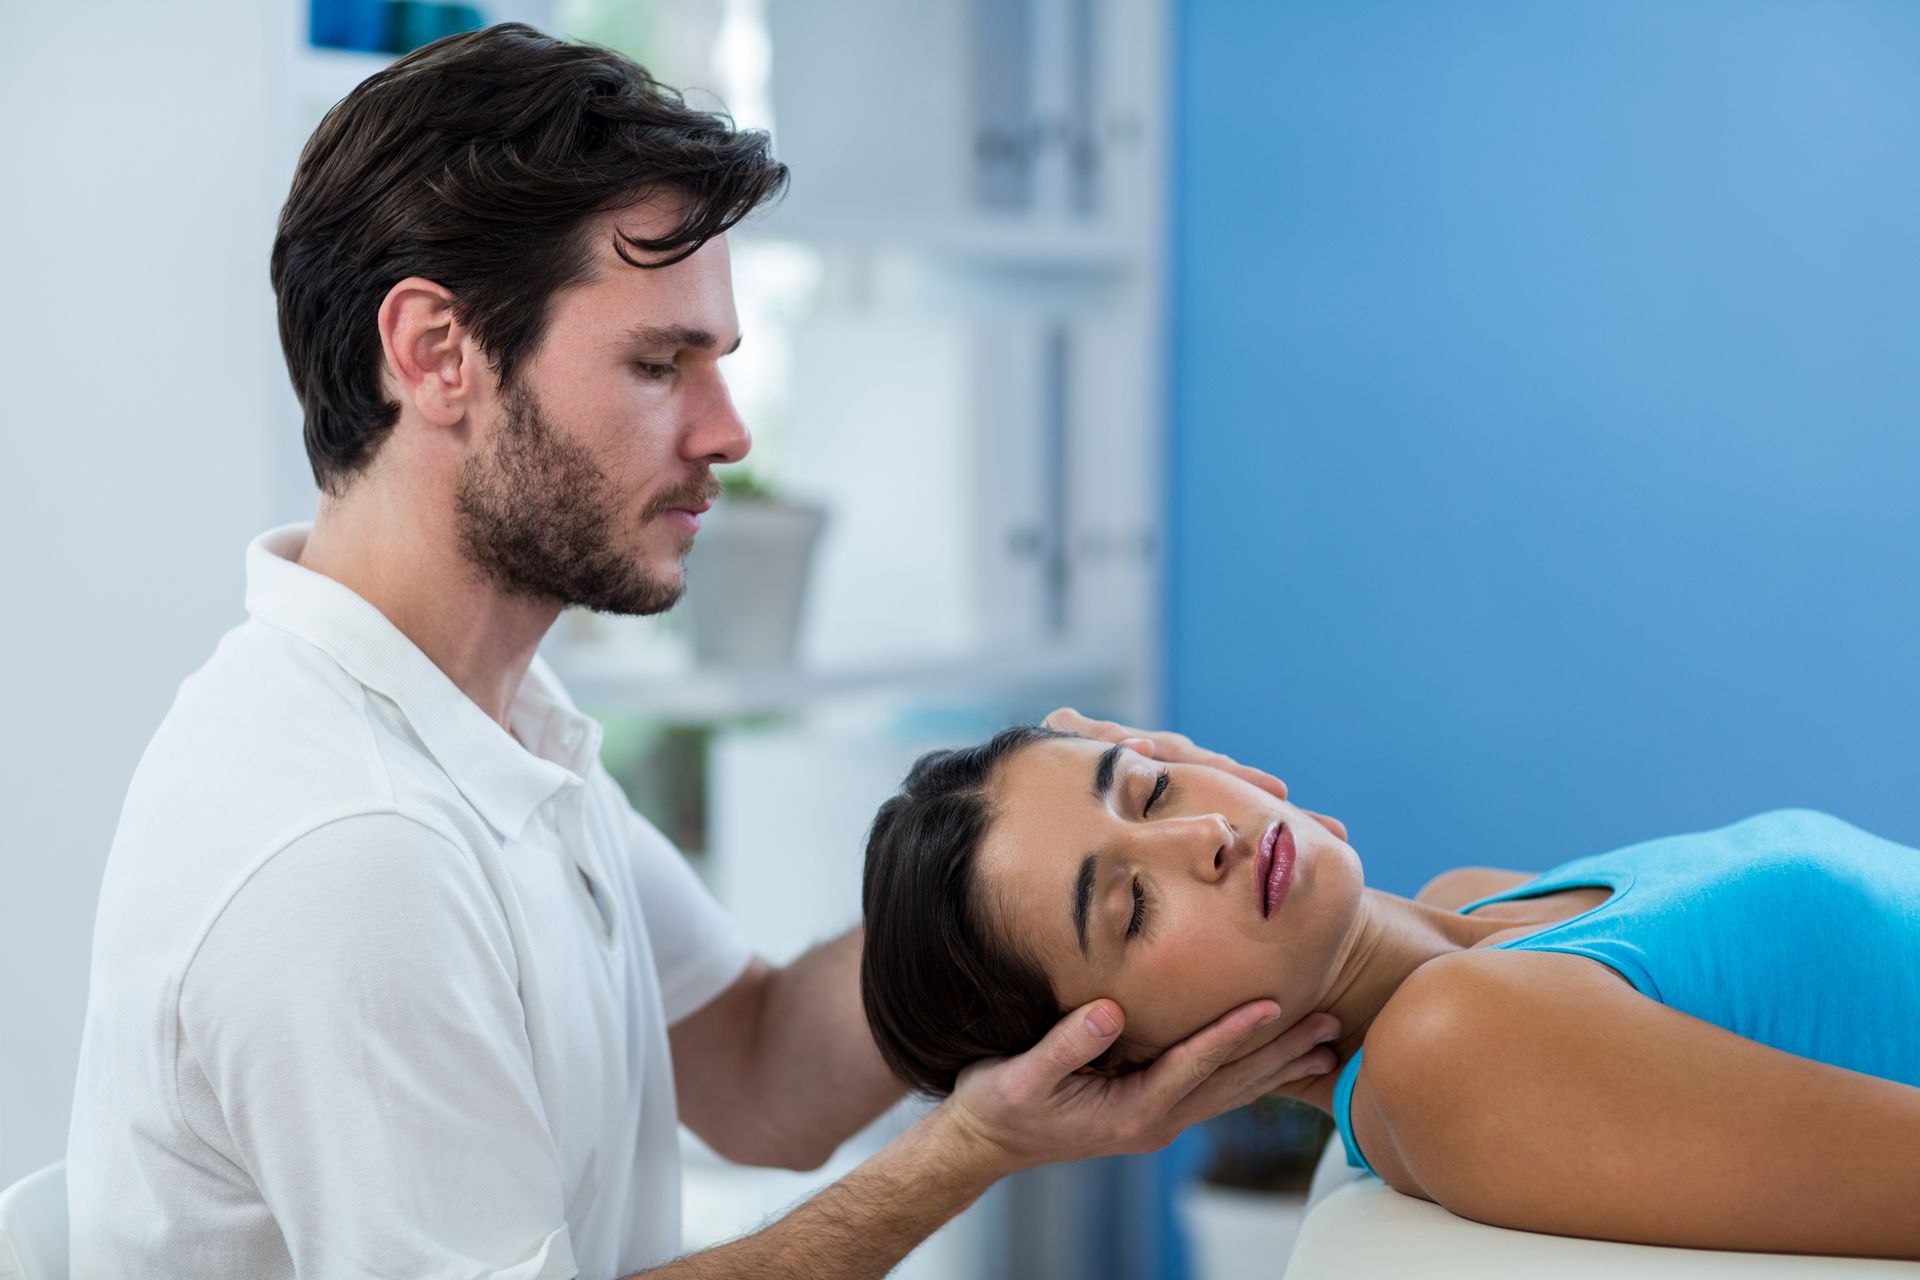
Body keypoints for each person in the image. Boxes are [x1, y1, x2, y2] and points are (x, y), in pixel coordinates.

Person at [62, 23, 1343, 1280]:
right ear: (434, 352)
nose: (728, 432)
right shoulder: (352, 851)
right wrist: (969, 1150)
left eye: (718, 361)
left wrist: (1040, 833)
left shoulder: (489, 720)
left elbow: (758, 1069)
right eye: (659, 364)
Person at [860, 723, 1920, 1260]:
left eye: (1151, 784)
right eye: (1129, 908)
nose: (1203, 836)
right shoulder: (1454, 1047)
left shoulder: (1479, 909)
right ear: (1120, 1063)